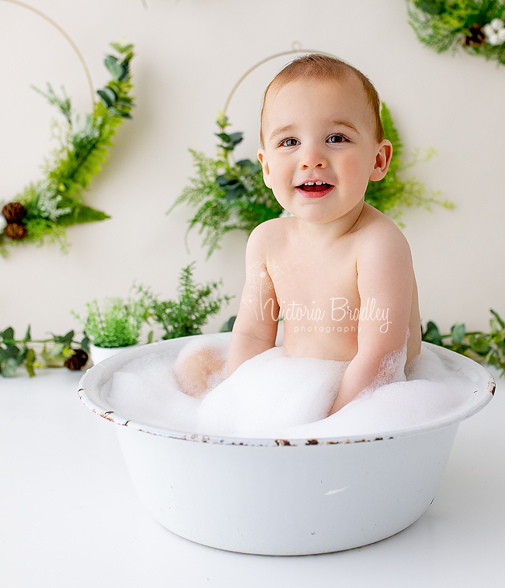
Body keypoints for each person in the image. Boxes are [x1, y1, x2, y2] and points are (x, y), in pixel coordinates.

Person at [176, 54, 421, 416]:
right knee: (191, 367)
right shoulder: (267, 241)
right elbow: (252, 336)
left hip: (366, 396)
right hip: (297, 383)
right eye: (289, 142)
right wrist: (235, 405)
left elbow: (381, 359)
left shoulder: (378, 244)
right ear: (267, 167)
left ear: (378, 161)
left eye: (336, 138)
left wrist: (327, 428)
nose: (311, 158)